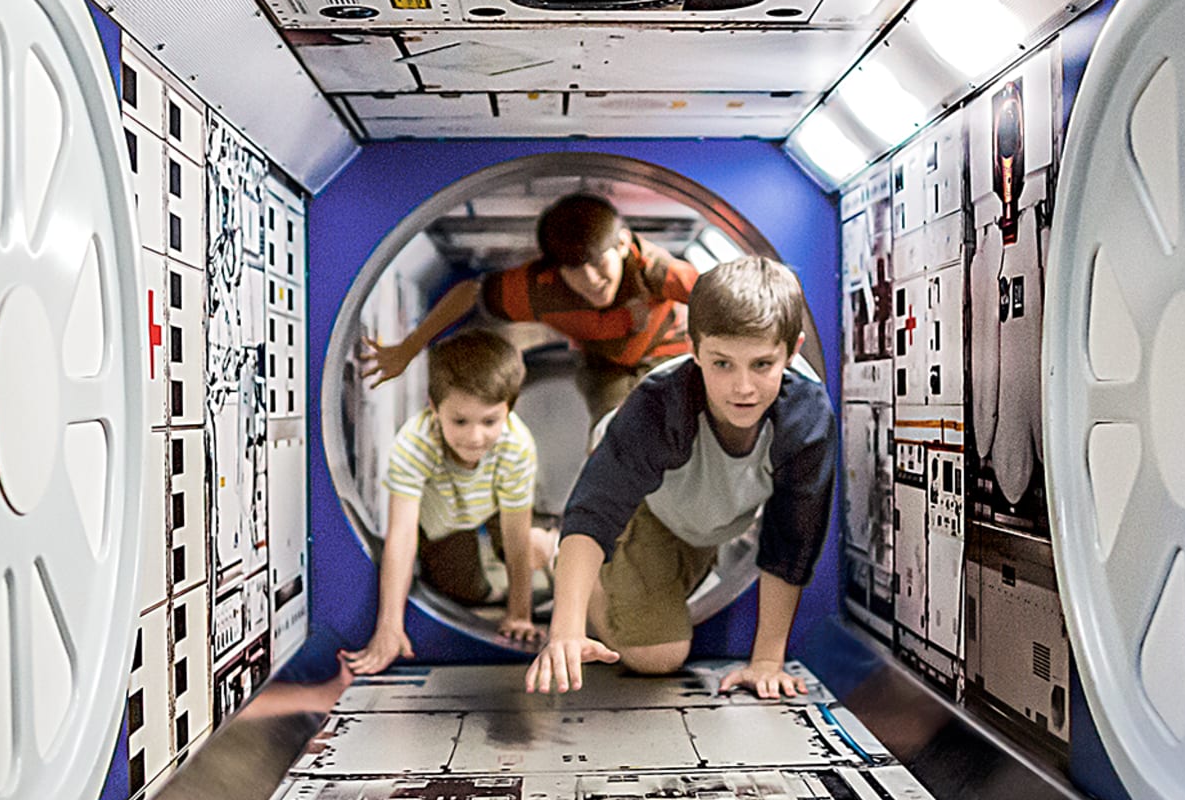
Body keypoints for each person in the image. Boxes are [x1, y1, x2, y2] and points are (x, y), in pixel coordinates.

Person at [524, 256, 835, 699]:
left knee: (669, 591)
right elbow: (595, 512)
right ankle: (556, 556)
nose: (742, 387)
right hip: (643, 504)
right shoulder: (661, 405)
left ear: (792, 350)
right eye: (722, 363)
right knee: (659, 655)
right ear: (694, 349)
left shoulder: (806, 420)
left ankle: (611, 574)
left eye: (762, 364)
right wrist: (566, 630)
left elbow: (792, 540)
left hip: (708, 516)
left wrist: (767, 661)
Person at [361, 192, 698, 427]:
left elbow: (724, 298)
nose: (591, 280)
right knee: (612, 436)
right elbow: (471, 292)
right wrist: (409, 347)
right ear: (556, 269)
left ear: (623, 244)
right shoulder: (540, 289)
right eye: (574, 270)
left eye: (598, 263)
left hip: (672, 353)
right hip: (605, 366)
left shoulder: (654, 271)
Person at [343, 330, 557, 674]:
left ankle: (548, 541)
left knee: (527, 545)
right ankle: (489, 582)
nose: (475, 437)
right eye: (459, 421)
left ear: (509, 410)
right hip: (442, 521)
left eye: (490, 421)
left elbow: (514, 535)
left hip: (495, 504)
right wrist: (389, 625)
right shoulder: (415, 443)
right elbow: (401, 535)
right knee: (465, 591)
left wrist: (520, 614)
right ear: (433, 407)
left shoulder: (515, 445)